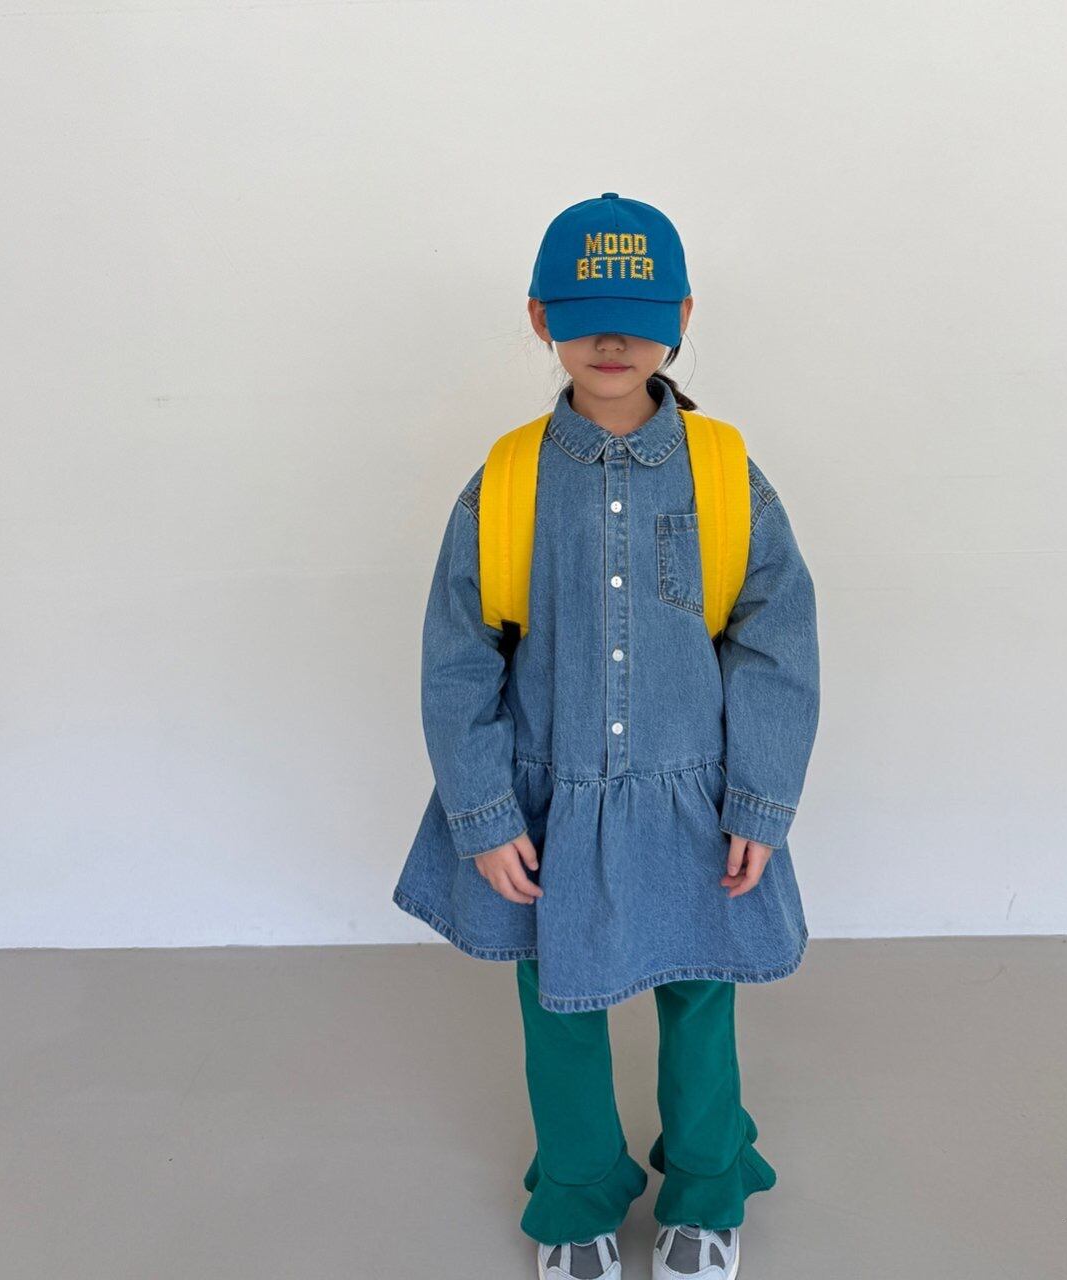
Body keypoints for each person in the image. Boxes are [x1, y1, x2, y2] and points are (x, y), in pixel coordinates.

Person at [392, 193, 821, 1280]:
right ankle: (577, 1192)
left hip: (696, 799)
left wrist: (760, 798)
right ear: (543, 318)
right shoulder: (507, 481)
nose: (613, 342)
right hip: (549, 802)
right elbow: (456, 656)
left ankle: (709, 1184)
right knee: (558, 1007)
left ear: (682, 317)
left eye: (638, 318)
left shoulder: (725, 472)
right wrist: (483, 810)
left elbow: (776, 638)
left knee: (702, 998)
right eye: (587, 318)